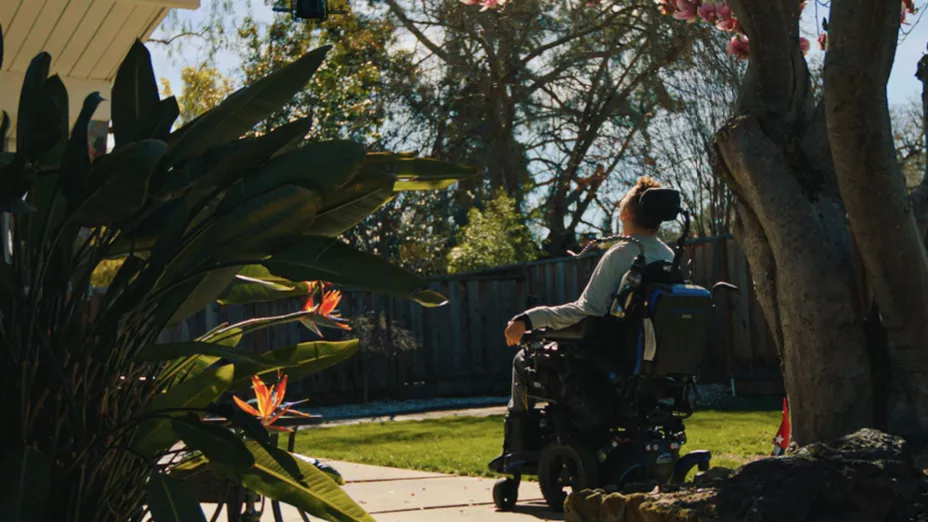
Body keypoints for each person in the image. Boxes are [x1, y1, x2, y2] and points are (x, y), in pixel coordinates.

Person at [492, 176, 675, 467]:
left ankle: (516, 451)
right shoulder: (669, 256)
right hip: (650, 368)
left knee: (523, 359)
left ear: (627, 213)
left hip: (606, 364)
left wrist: (529, 319)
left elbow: (585, 311)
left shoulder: (622, 254)